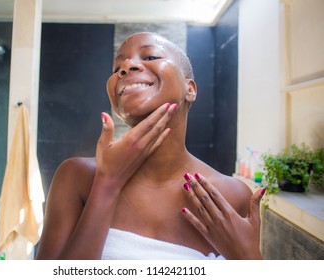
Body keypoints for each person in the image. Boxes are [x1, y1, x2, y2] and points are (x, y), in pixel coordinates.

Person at [36, 32, 265, 260]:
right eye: (117, 68)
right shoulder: (77, 178)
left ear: (190, 89)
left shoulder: (232, 196)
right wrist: (107, 184)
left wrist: (249, 260)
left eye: (151, 56)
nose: (126, 67)